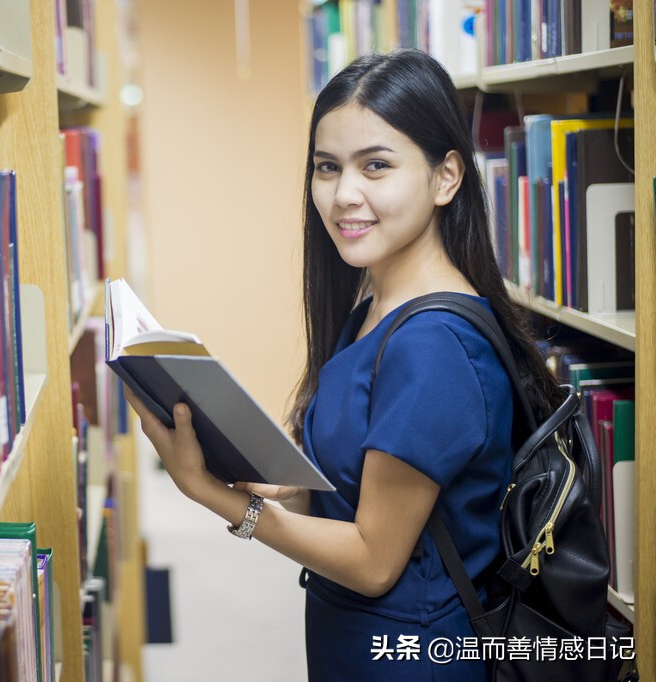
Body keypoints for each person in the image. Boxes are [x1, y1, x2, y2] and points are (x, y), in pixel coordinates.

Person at [123, 48, 563, 681]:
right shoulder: (374, 309)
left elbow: (373, 560)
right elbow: (365, 490)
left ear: (446, 177)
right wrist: (285, 481)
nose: (343, 195)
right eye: (327, 167)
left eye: (376, 165)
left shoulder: (432, 345)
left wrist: (212, 495)